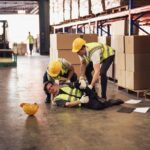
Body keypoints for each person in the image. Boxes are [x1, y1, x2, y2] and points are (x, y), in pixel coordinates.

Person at [43, 80, 123, 110]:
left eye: (51, 86)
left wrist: (82, 83)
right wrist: (80, 101)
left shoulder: (63, 85)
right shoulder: (56, 100)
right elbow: (67, 104)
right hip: (83, 101)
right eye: (49, 89)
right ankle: (110, 102)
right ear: (48, 92)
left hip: (84, 92)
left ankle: (95, 96)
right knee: (98, 106)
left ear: (53, 85)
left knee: (79, 84)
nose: (51, 88)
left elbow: (75, 84)